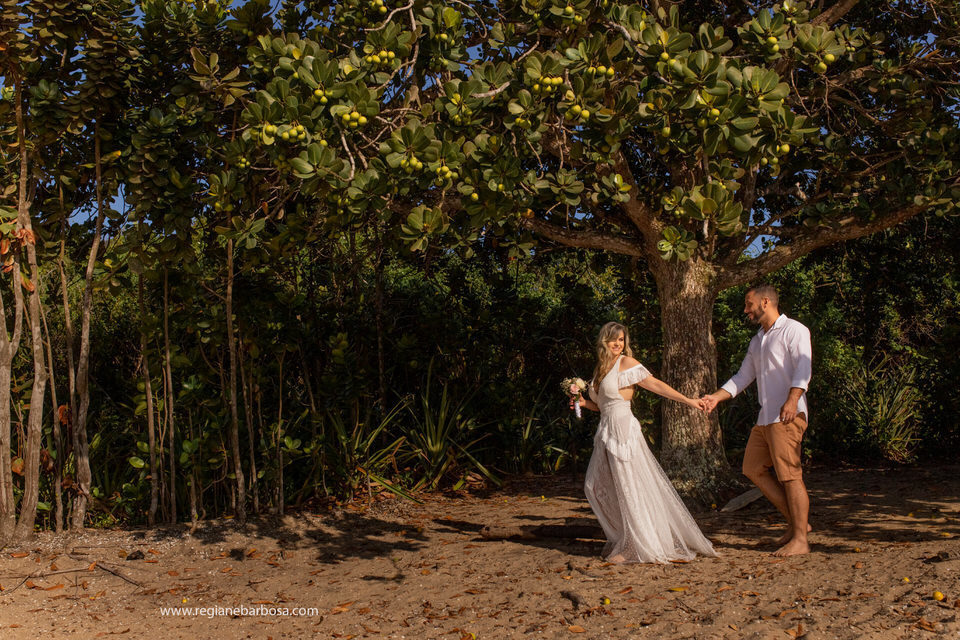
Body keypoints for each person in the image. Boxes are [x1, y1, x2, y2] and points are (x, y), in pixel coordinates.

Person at [572, 321, 716, 564]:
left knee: (628, 487)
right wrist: (585, 403)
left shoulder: (626, 363)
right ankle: (623, 536)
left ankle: (633, 545)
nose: (618, 344)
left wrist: (689, 401)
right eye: (613, 339)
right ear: (604, 341)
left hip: (622, 431)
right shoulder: (600, 368)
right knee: (595, 486)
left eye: (621, 340)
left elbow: (656, 385)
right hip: (605, 430)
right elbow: (603, 405)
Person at [700, 284, 813, 557]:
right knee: (752, 468)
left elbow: (803, 366)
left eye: (748, 304)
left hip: (787, 413)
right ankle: (798, 525)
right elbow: (742, 377)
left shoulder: (794, 330)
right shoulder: (757, 340)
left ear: (765, 302)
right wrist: (716, 397)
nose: (746, 310)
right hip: (766, 417)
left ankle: (800, 540)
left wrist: (792, 400)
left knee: (790, 476)